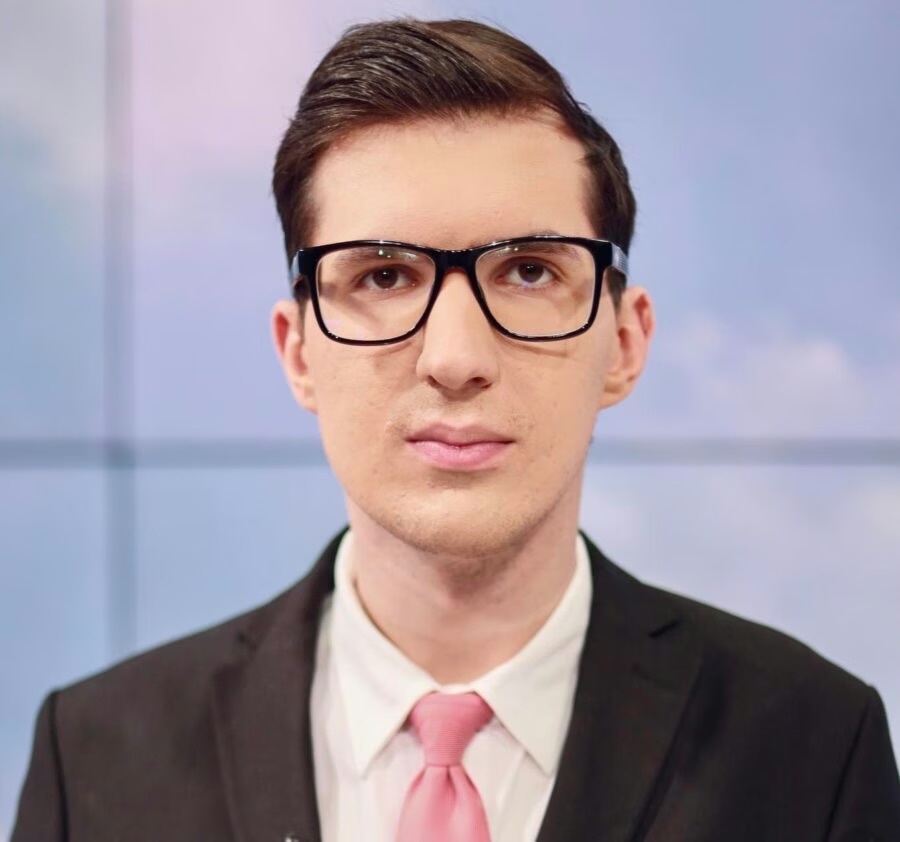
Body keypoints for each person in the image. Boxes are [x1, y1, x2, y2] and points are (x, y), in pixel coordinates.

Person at [12, 18, 900, 842]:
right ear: (298, 353)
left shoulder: (813, 744)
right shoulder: (93, 756)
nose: (456, 357)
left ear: (625, 345)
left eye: (529, 271)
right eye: (384, 276)